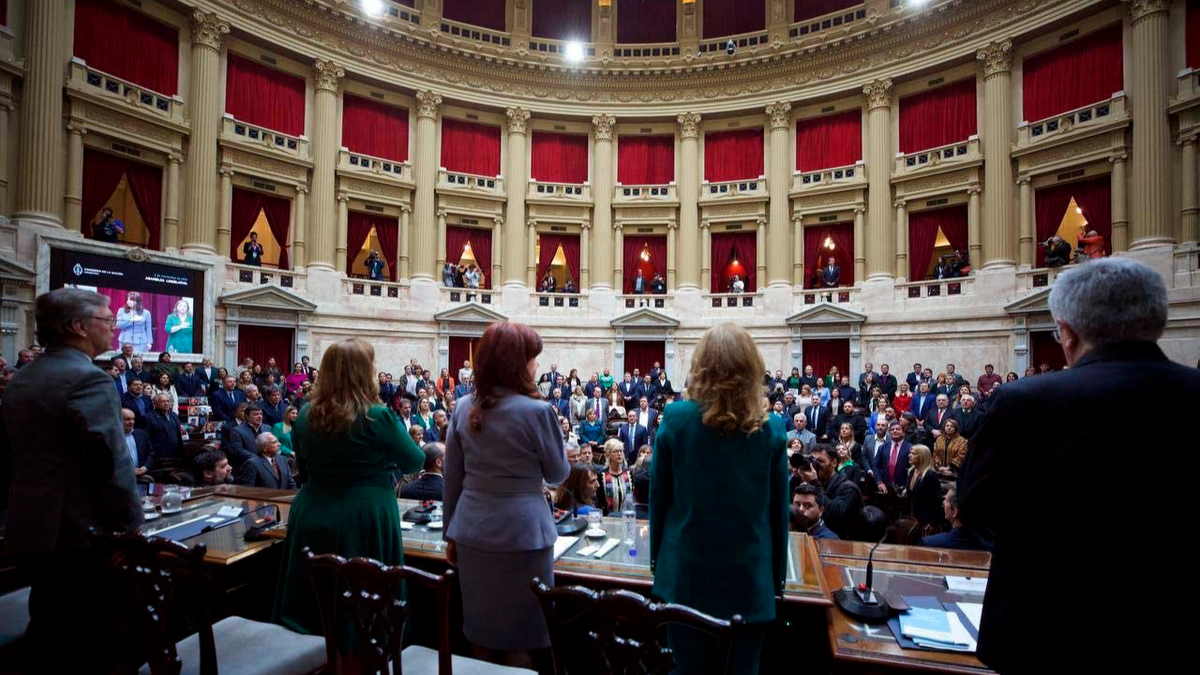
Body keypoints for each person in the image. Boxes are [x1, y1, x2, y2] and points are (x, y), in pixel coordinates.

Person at [957, 258, 1198, 673]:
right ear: (1157, 322)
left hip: (1046, 633)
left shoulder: (1023, 402)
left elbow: (975, 504)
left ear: (1066, 332)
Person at [3, 288, 141, 672]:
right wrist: (132, 530)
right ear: (79, 326)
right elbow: (111, 465)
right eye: (107, 320)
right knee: (91, 640)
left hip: (30, 526)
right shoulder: (89, 380)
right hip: (81, 534)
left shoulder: (22, 377)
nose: (113, 329)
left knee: (49, 623)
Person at [651, 323, 788, 675]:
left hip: (684, 577)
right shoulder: (771, 429)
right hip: (750, 582)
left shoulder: (676, 419)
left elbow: (660, 499)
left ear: (701, 367)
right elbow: (778, 516)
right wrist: (776, 582)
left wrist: (657, 563)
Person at [275, 338, 425, 639]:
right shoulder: (377, 416)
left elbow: (302, 463)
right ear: (363, 373)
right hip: (364, 514)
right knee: (364, 602)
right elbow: (414, 460)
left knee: (316, 600)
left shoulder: (305, 414)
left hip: (313, 509)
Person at [442, 321, 569, 668]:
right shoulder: (539, 411)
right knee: (520, 642)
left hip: (471, 533)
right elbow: (558, 474)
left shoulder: (462, 406)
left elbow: (451, 478)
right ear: (517, 362)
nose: (537, 365)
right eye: (533, 358)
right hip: (524, 536)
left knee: (482, 639)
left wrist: (449, 533)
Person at [810, 443, 862, 539]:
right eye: (812, 461)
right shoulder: (817, 484)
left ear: (834, 463)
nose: (815, 465)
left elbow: (833, 514)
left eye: (820, 461)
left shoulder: (848, 488)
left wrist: (814, 483)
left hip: (842, 544)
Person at [919, 485, 989, 551]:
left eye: (946, 500)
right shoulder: (990, 546)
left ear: (955, 512)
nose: (943, 503)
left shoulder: (928, 544)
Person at [906, 444, 942, 530]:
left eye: (913, 453)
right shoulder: (912, 471)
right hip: (912, 516)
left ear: (922, 457)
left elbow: (936, 501)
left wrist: (932, 522)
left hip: (925, 520)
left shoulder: (930, 474)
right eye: (910, 453)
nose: (909, 455)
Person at [873, 421, 912, 495]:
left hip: (903, 489)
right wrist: (879, 482)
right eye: (892, 429)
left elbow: (912, 469)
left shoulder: (910, 448)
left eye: (897, 429)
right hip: (885, 488)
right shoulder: (883, 448)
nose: (894, 431)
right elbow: (876, 466)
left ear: (903, 433)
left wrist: (907, 487)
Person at [144, 392, 184, 461]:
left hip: (176, 455)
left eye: (168, 401)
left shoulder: (174, 415)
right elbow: (146, 438)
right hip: (159, 457)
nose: (166, 403)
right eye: (163, 401)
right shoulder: (148, 418)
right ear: (155, 404)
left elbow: (180, 432)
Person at [599, 438, 632, 515]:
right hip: (607, 517)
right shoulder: (601, 476)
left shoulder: (629, 474)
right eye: (615, 451)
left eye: (621, 451)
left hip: (626, 517)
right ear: (608, 454)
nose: (619, 454)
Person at [121, 407, 153, 479]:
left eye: (133, 419)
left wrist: (145, 467)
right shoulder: (113, 438)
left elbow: (151, 454)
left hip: (142, 476)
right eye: (127, 419)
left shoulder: (141, 434)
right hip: (122, 478)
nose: (131, 422)